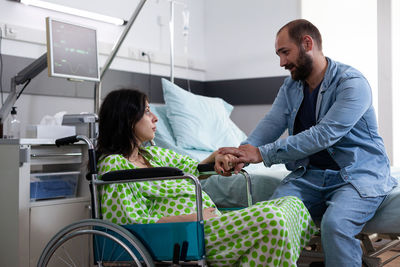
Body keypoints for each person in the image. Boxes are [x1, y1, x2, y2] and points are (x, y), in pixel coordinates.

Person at [218, 19, 398, 267]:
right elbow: (272, 122)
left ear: (307, 43)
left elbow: (324, 134)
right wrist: (240, 153)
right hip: (310, 176)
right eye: (279, 54)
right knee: (271, 219)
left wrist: (262, 154)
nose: (281, 62)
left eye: (285, 52)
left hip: (357, 176)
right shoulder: (291, 86)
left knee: (335, 225)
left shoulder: (352, 83)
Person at [96, 88, 317, 267]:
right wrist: (193, 217)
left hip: (207, 225)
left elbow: (194, 168)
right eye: (146, 111)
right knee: (271, 218)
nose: (154, 117)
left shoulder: (153, 153)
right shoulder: (114, 166)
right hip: (180, 236)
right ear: (126, 118)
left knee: (293, 204)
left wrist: (218, 157)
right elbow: (130, 223)